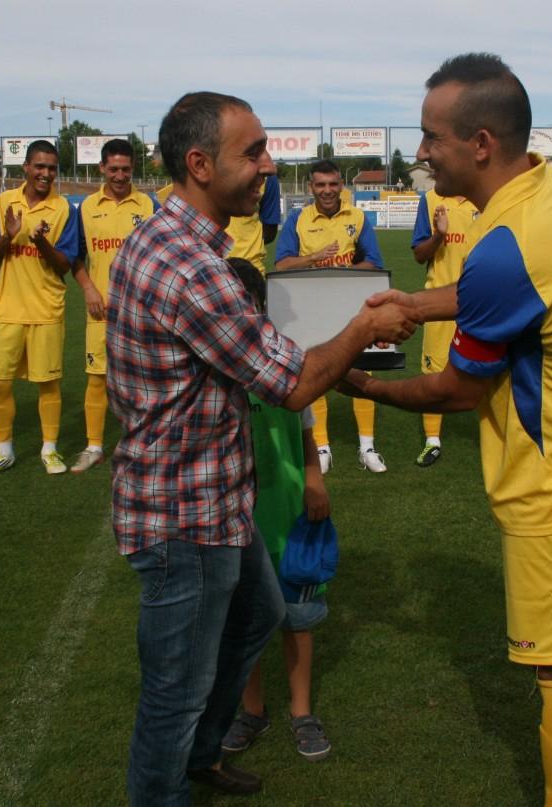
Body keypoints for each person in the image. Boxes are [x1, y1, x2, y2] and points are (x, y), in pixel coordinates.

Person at [339, 54, 552, 807]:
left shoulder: (508, 246)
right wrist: (417, 304)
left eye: (430, 137)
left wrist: (364, 384)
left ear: (480, 144)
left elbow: (456, 388)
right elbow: (514, 290)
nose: (420, 152)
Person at [105, 91, 416, 806]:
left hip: (213, 499)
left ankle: (203, 752)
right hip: (184, 514)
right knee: (174, 691)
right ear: (199, 164)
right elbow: (293, 383)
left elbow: (261, 354)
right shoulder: (193, 268)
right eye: (253, 153)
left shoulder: (167, 241)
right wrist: (364, 328)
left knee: (259, 614)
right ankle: (167, 787)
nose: (269, 167)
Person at [221, 259, 333, 762]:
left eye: (244, 302)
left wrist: (313, 478)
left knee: (297, 615)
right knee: (242, 616)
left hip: (286, 505)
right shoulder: (214, 360)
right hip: (234, 511)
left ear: (259, 305)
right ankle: (252, 710)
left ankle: (302, 712)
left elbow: (305, 425)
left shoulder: (284, 355)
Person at [275, 160, 387, 474]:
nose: (327, 190)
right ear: (311, 187)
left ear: (341, 185)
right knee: (315, 374)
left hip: (349, 308)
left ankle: (367, 447)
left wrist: (342, 271)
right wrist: (313, 259)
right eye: (321, 185)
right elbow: (281, 265)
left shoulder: (357, 217)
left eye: (333, 184)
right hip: (310, 310)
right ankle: (321, 447)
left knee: (360, 372)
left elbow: (374, 262)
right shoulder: (297, 219)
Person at [0, 140, 78, 478]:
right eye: (40, 166)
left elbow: (64, 265)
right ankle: (3, 450)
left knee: (48, 384)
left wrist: (40, 241)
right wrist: (9, 236)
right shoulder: (4, 201)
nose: (46, 173)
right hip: (7, 309)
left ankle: (50, 449)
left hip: (47, 309)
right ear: (26, 168)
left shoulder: (64, 209)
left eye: (52, 168)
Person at [70, 138, 158, 472]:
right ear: (102, 168)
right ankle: (93, 446)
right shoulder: (87, 208)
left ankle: (146, 443)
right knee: (97, 379)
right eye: (114, 169)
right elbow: (75, 256)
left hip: (141, 313)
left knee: (145, 379)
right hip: (102, 310)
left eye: (125, 169)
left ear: (133, 168)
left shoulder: (148, 205)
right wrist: (89, 289)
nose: (120, 176)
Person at [410, 188, 479, 466]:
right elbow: (419, 254)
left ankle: (498, 434)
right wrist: (439, 235)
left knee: (494, 369)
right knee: (434, 371)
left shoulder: (485, 196)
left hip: (481, 299)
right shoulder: (430, 200)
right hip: (439, 302)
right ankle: (432, 441)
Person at [157, 173, 281, 272]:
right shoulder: (195, 174)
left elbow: (270, 230)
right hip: (206, 268)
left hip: (249, 271)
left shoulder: (267, 176)